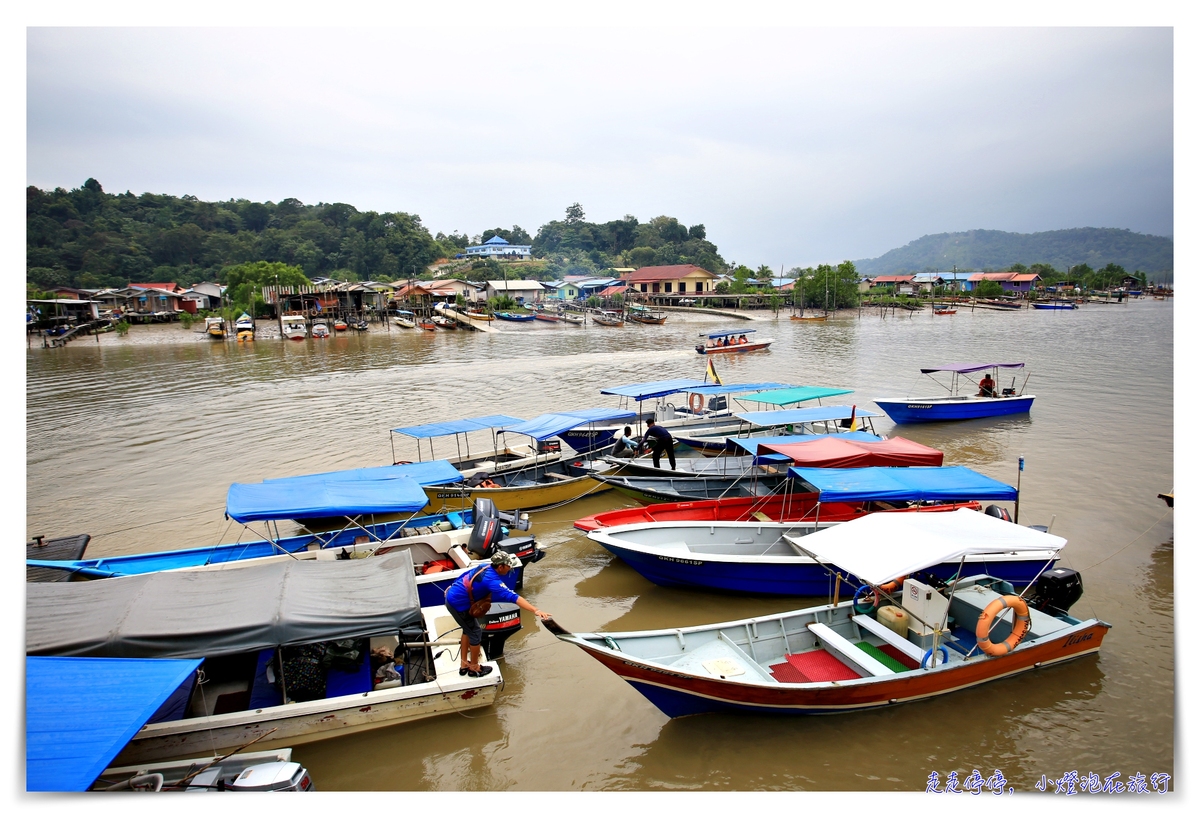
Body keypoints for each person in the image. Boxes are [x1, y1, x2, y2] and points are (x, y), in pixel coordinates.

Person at [443, 551, 550, 677]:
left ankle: (463, 664)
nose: (510, 569)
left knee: (467, 630)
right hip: (459, 606)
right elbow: (513, 597)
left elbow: (464, 576)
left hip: (452, 598)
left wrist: (452, 587)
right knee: (476, 633)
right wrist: (535, 610)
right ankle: (474, 668)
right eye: (508, 566)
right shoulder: (492, 581)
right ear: (500, 567)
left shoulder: (484, 566)